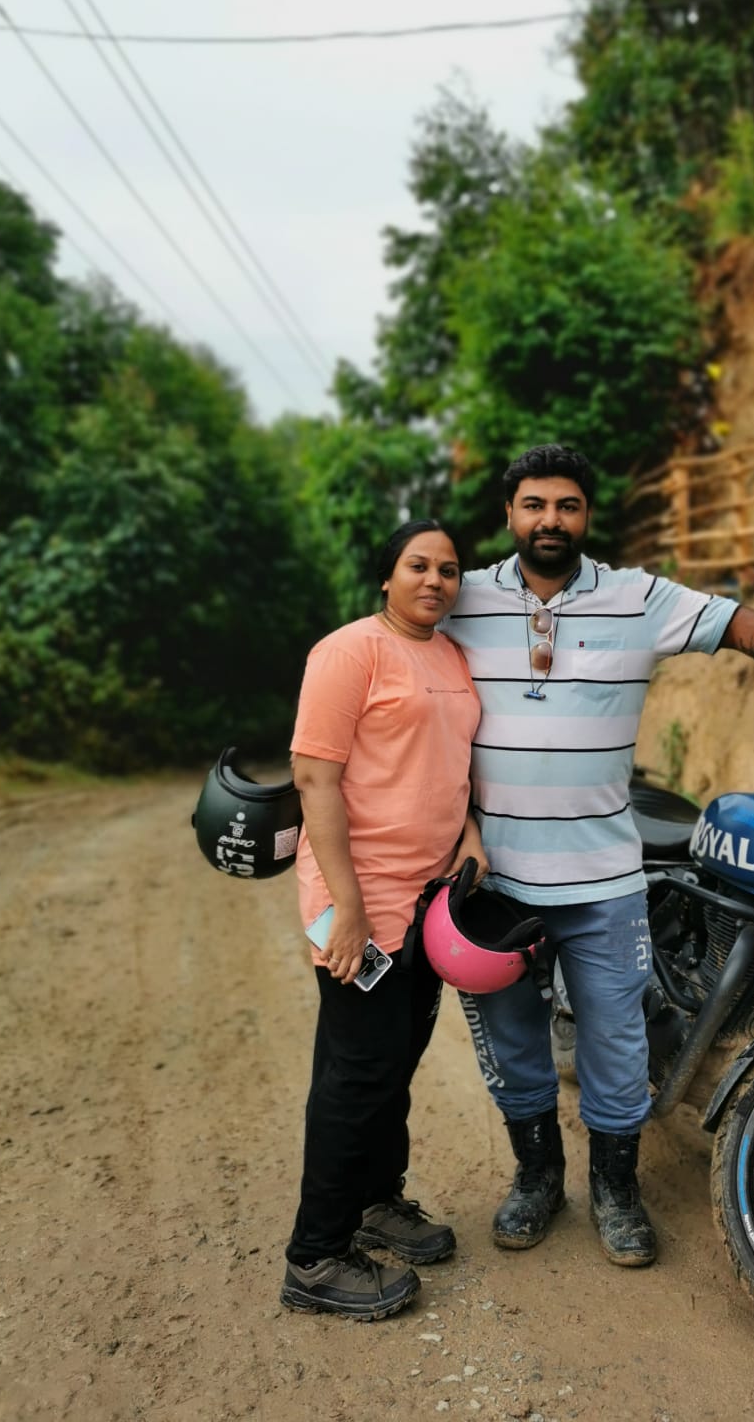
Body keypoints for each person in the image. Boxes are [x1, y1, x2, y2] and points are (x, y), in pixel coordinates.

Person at [440, 444, 754, 1268]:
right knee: (514, 1043)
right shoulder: (460, 600)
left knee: (618, 1045)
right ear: (509, 515)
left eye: (566, 506)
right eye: (534, 505)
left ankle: (616, 1189)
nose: (550, 520)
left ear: (586, 517)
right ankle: (537, 1178)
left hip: (606, 879)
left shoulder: (636, 597)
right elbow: (388, 643)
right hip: (495, 884)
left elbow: (732, 622)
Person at [280, 520, 485, 1320]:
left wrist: (468, 835)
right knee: (356, 1074)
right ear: (386, 577)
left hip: (430, 896)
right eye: (417, 566)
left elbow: (452, 762)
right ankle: (316, 1256)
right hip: (357, 899)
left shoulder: (451, 656)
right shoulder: (349, 652)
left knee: (390, 1062)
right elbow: (314, 780)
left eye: (448, 569)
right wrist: (351, 912)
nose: (434, 580)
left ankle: (375, 1200)